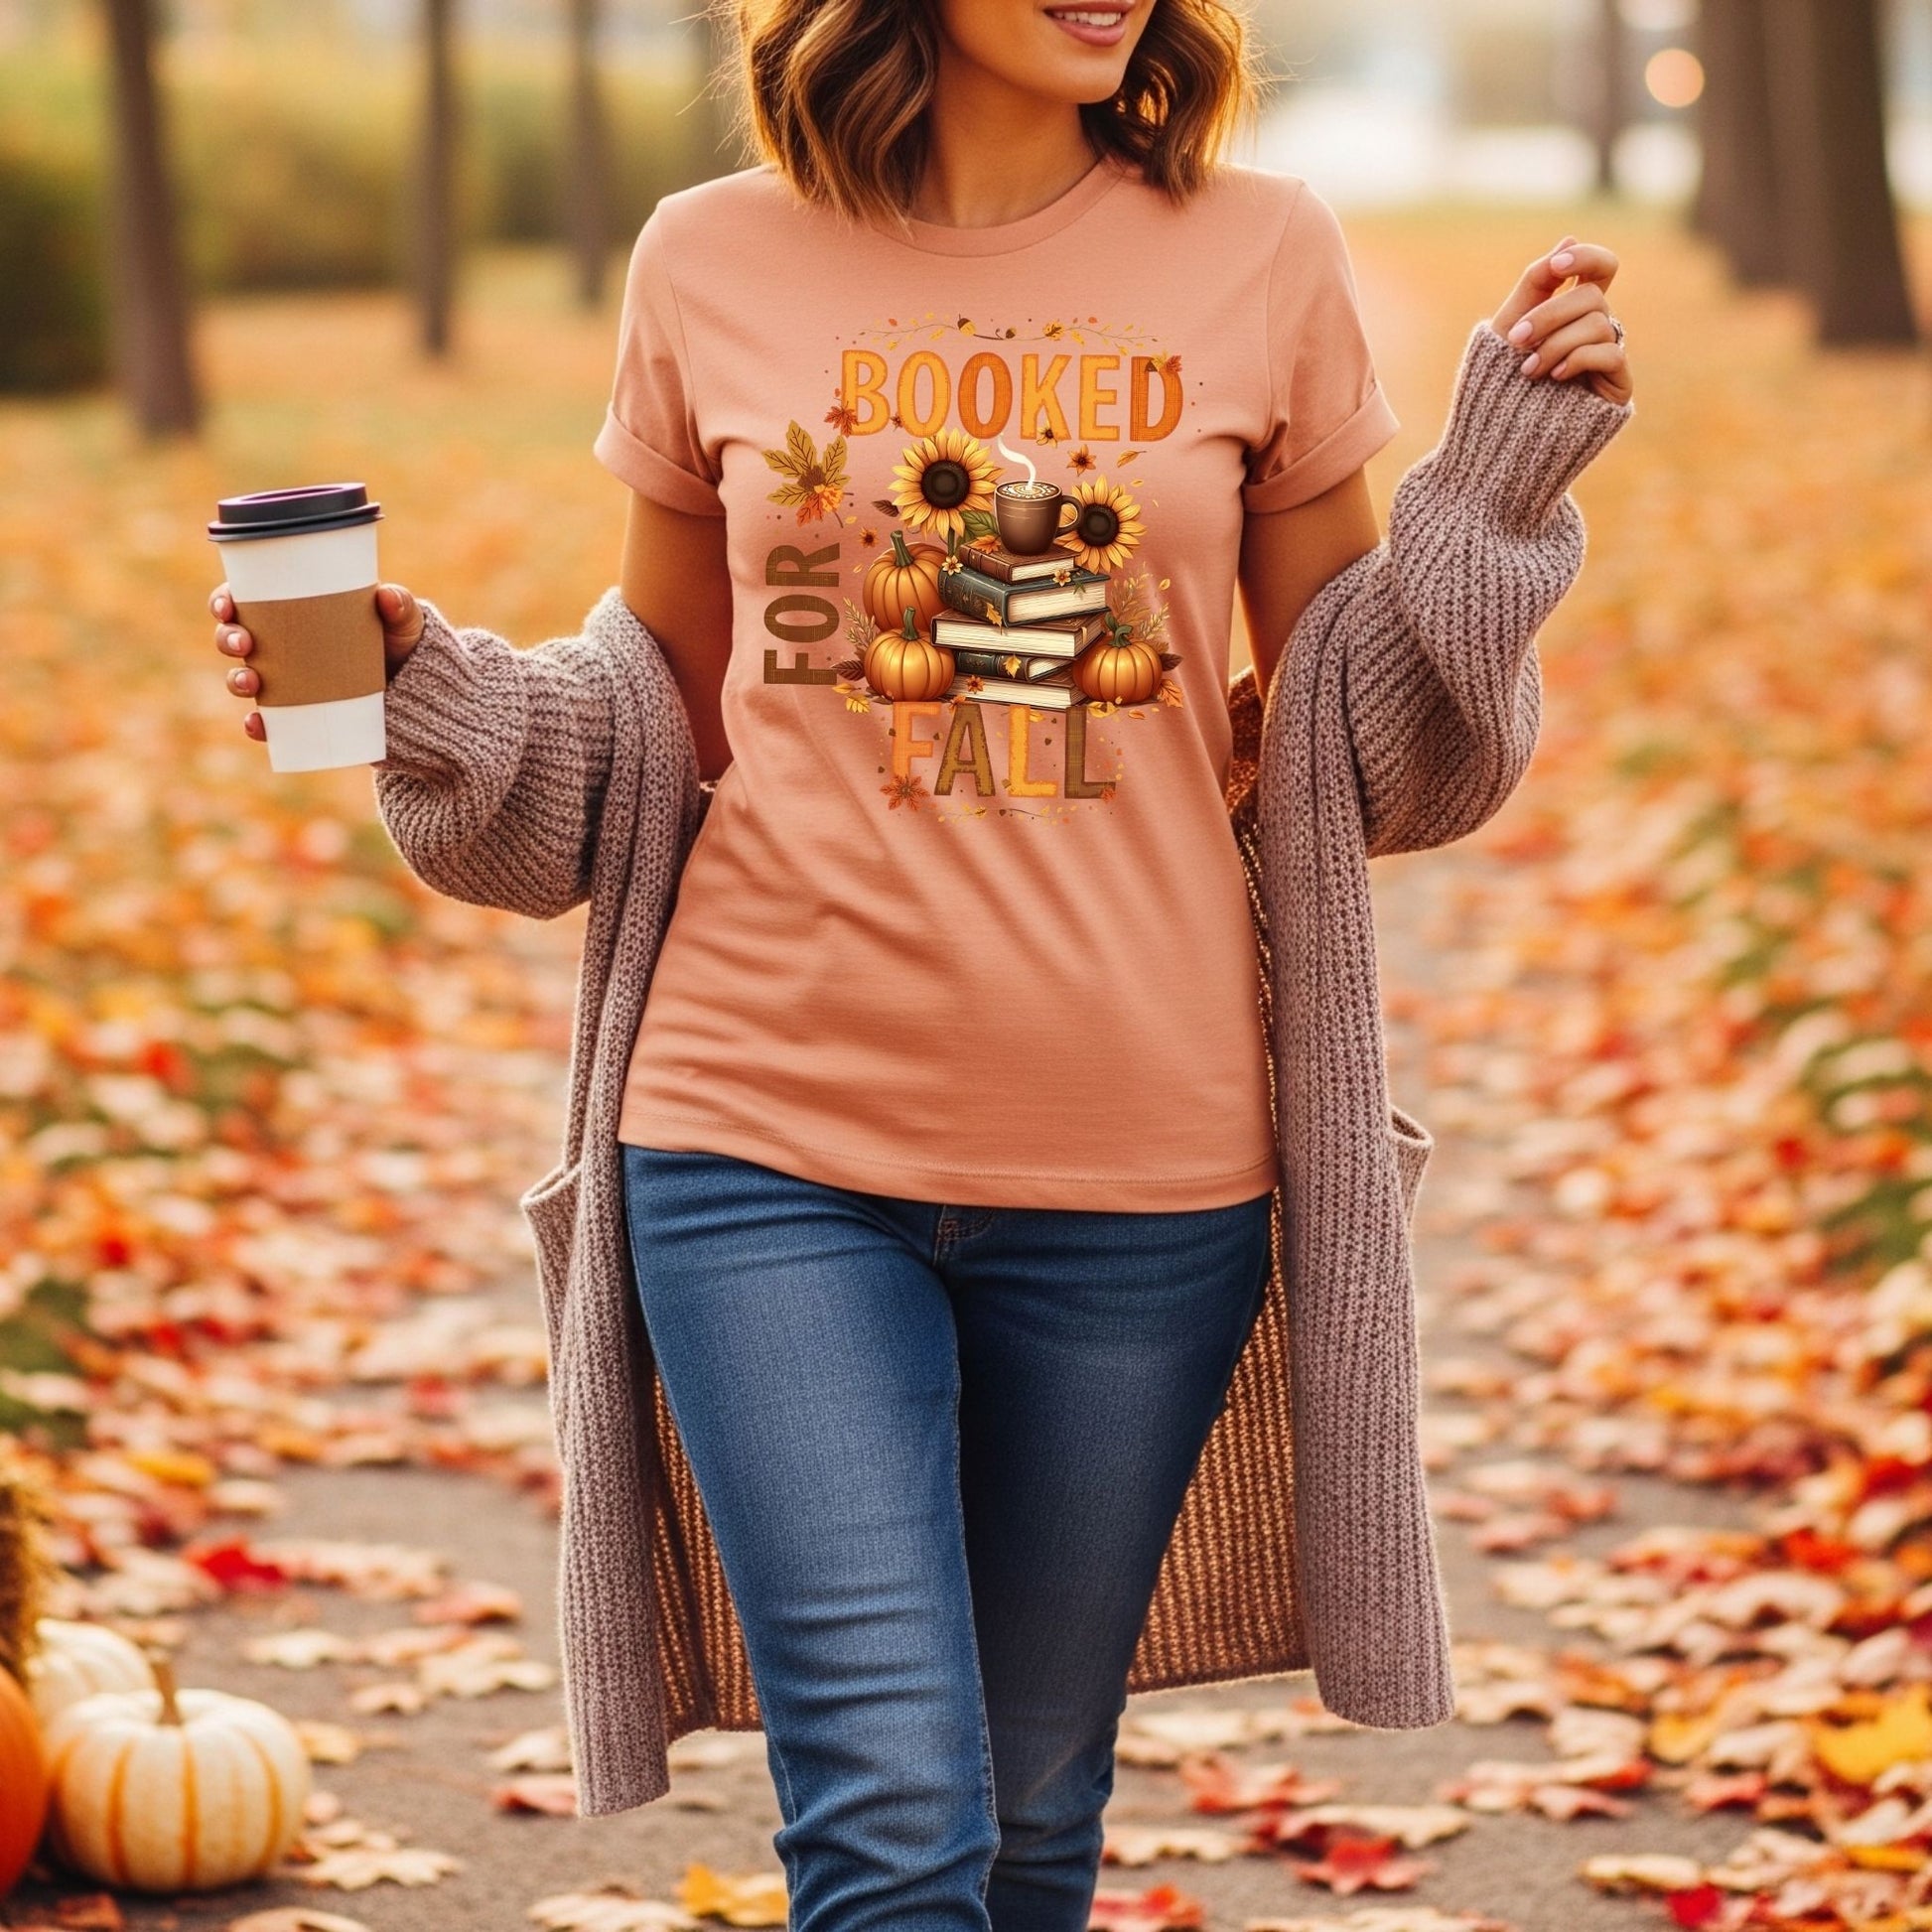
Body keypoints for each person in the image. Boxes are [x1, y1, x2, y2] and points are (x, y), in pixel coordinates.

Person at [208, 3, 1635, 1928]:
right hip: (756, 1141)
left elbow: (1364, 754)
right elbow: (666, 712)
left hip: (1151, 1168)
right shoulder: (705, 255)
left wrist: (1496, 497)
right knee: (889, 1819)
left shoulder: (1262, 248)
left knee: (1033, 1814)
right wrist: (426, 692)